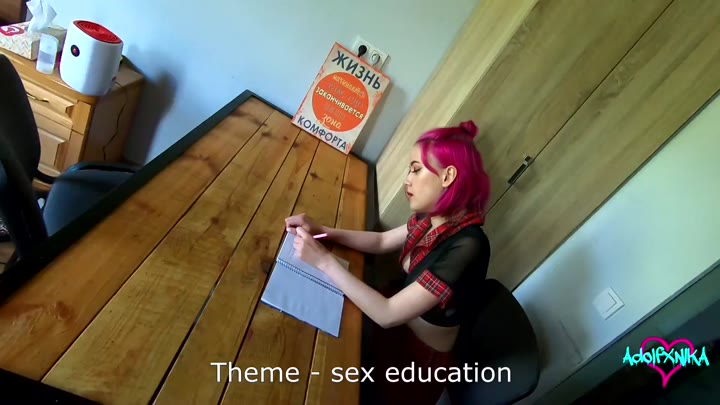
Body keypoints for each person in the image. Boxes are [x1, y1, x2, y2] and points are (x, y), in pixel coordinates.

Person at [285, 120, 491, 405]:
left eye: (416, 170)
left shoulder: (468, 245)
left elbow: (388, 314)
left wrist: (324, 261)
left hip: (416, 360)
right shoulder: (433, 216)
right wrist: (323, 231)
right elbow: (381, 242)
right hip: (393, 323)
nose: (408, 179)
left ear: (447, 176)